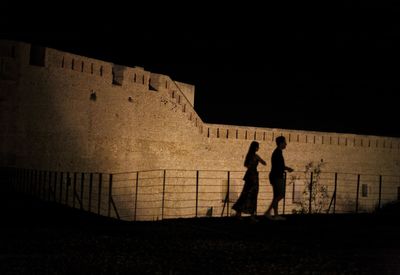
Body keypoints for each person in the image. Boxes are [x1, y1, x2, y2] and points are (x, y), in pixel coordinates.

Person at [232, 141, 266, 222]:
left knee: (245, 194)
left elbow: (246, 165)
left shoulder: (248, 156)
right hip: (253, 176)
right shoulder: (255, 156)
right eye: (258, 146)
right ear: (255, 148)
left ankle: (239, 213)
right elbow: (264, 163)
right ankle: (252, 215)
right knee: (253, 195)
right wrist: (258, 160)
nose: (259, 148)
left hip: (248, 176)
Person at [264, 136, 293, 221]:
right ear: (280, 143)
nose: (286, 144)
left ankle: (276, 215)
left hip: (274, 175)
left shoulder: (277, 152)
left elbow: (279, 165)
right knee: (280, 195)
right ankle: (268, 212)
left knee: (276, 196)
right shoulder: (278, 153)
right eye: (284, 142)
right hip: (277, 176)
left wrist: (286, 168)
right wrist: (288, 169)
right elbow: (280, 166)